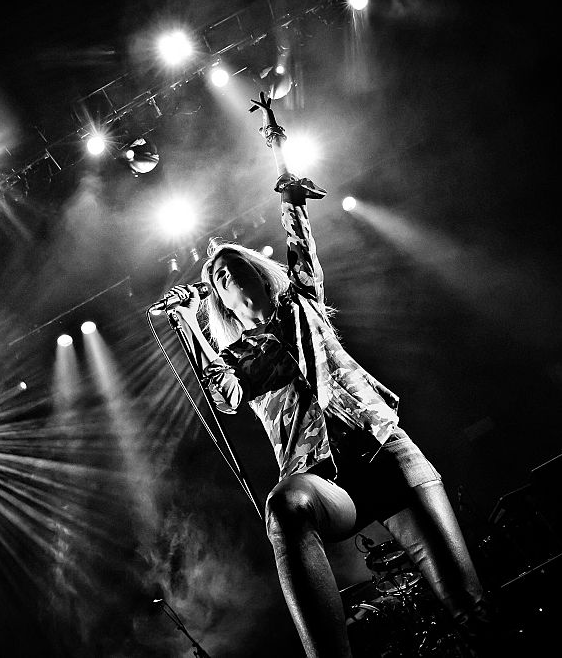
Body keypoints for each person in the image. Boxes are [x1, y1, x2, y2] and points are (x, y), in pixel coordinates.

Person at [168, 93, 498, 657]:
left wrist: (278, 148)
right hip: (323, 477)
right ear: (216, 301)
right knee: (285, 505)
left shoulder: (302, 302)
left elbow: (298, 235)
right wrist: (187, 324)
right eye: (217, 278)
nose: (226, 276)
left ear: (256, 270)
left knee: (470, 611)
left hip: (383, 451)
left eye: (234, 265)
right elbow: (224, 398)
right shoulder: (240, 357)